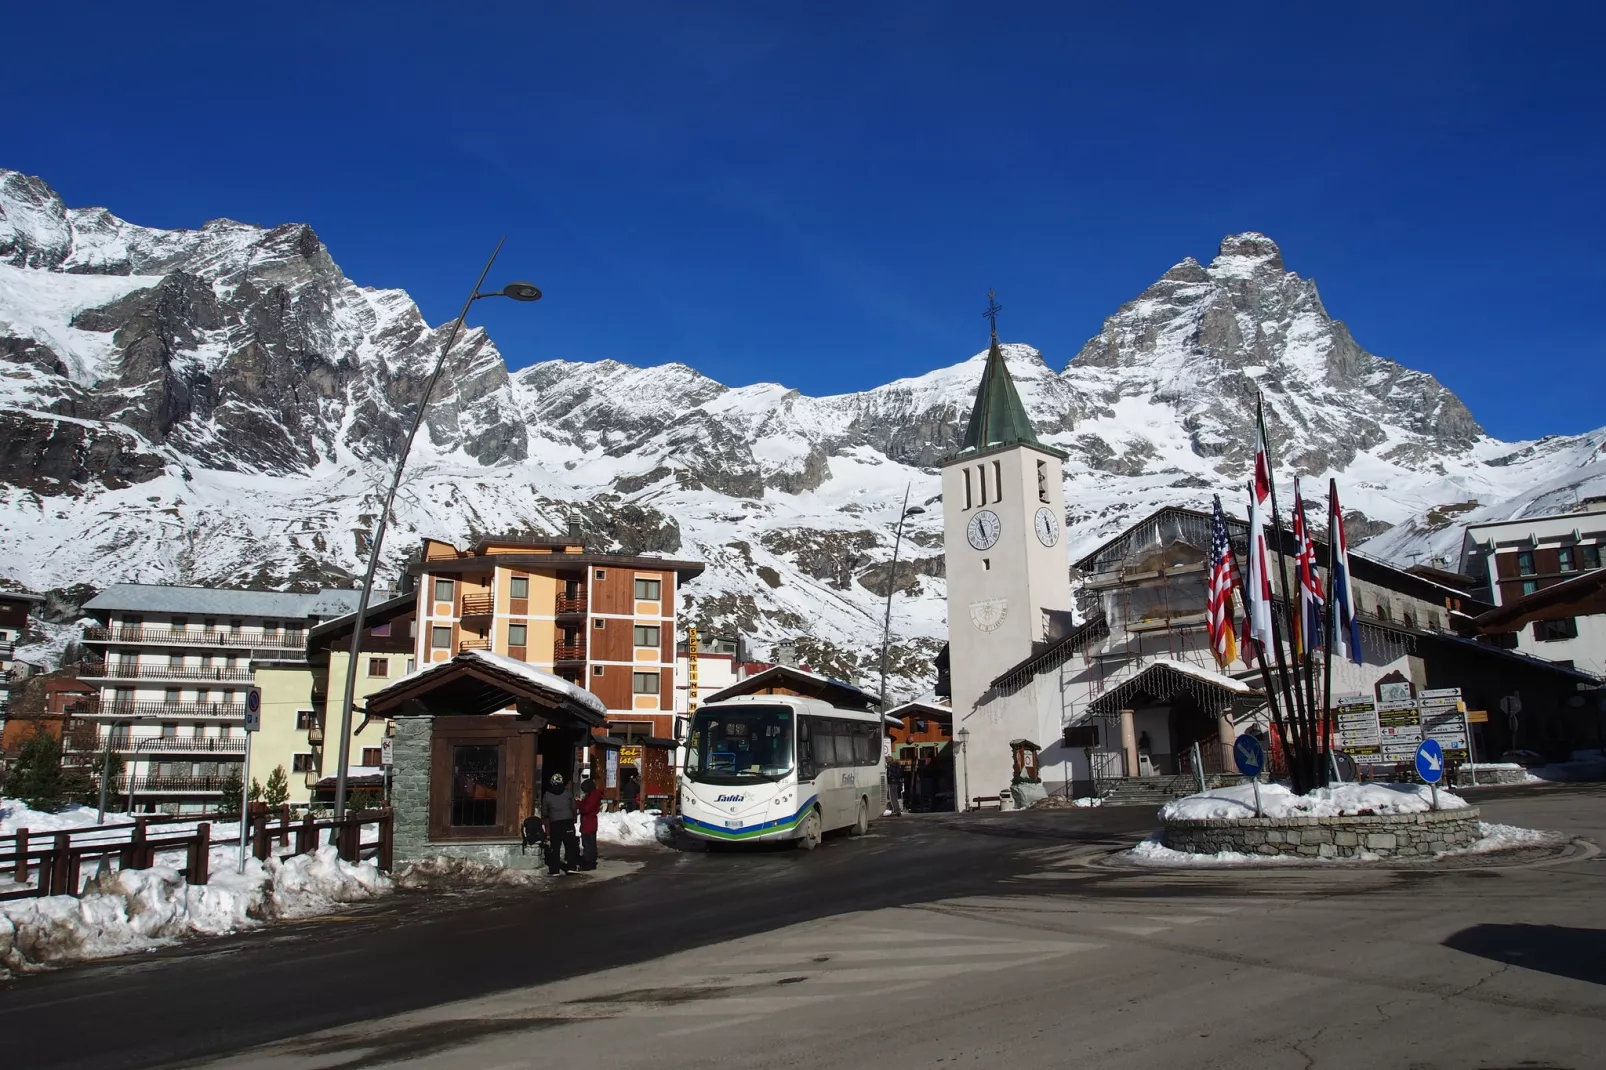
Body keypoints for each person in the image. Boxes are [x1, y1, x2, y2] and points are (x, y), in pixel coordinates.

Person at [540, 772, 580, 876]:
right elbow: (574, 807)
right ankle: (571, 867)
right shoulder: (567, 793)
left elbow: (544, 812)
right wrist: (574, 818)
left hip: (555, 823)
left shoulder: (547, 795)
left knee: (555, 847)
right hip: (567, 821)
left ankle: (554, 870)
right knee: (570, 845)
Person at [576, 776, 602, 871]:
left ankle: (589, 863)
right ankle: (590, 861)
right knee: (589, 843)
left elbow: (586, 808)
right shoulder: (592, 795)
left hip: (588, 823)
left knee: (588, 844)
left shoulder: (593, 796)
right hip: (589, 823)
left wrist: (579, 803)